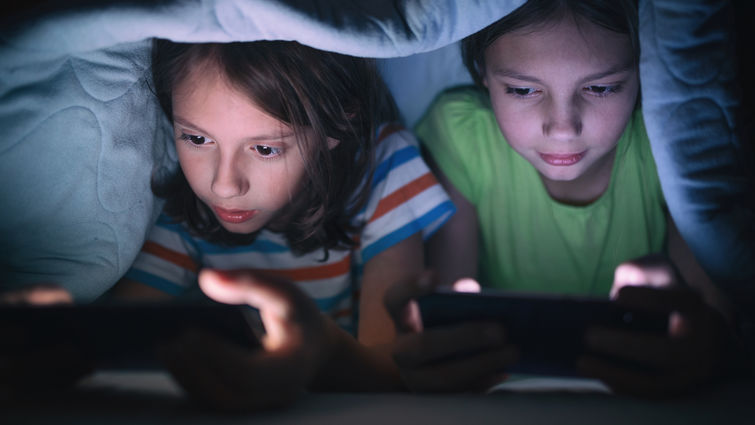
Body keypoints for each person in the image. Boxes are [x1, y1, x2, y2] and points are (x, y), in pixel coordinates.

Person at [386, 0, 745, 396]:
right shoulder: (460, 136)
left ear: (644, 75)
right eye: (523, 89)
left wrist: (703, 346)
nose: (563, 127)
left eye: (602, 87)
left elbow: (712, 317)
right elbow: (449, 317)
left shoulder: (667, 141)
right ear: (483, 75)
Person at [107, 39, 454, 409]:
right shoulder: (182, 195)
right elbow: (114, 339)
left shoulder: (383, 171)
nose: (224, 185)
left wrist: (320, 353)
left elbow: (393, 365)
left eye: (266, 149)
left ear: (336, 123)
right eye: (197, 138)